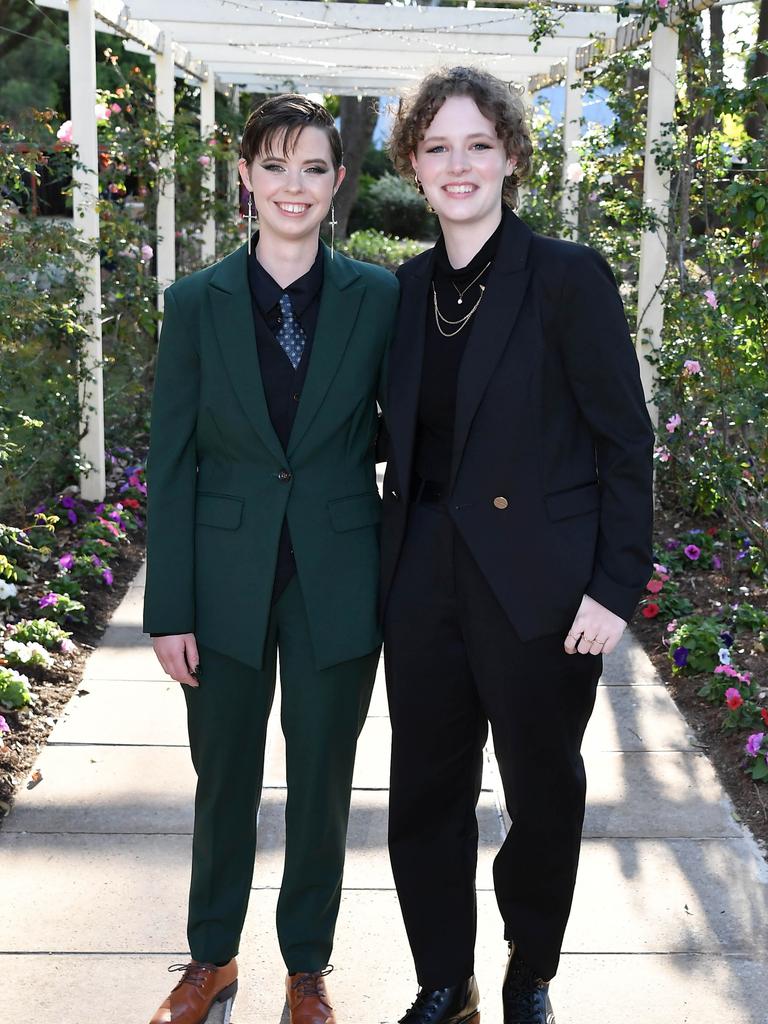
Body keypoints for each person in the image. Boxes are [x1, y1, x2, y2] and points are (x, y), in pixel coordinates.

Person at [380, 67, 655, 1024]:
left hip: (540, 587)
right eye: (440, 146)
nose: (460, 165)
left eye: (479, 145)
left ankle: (528, 969)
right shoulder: (404, 291)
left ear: (510, 157)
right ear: (415, 163)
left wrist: (616, 585)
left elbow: (626, 439)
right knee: (423, 791)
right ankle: (441, 979)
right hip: (422, 576)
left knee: (542, 792)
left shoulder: (568, 277)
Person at [143, 94, 398, 1024]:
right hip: (222, 580)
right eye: (277, 166)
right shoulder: (194, 303)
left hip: (339, 572)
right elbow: (169, 464)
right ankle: (212, 957)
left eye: (315, 168)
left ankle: (306, 969)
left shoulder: (379, 298)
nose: (295, 186)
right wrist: (167, 607)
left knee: (324, 778)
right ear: (244, 177)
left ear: (338, 183)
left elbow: (403, 432)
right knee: (225, 780)